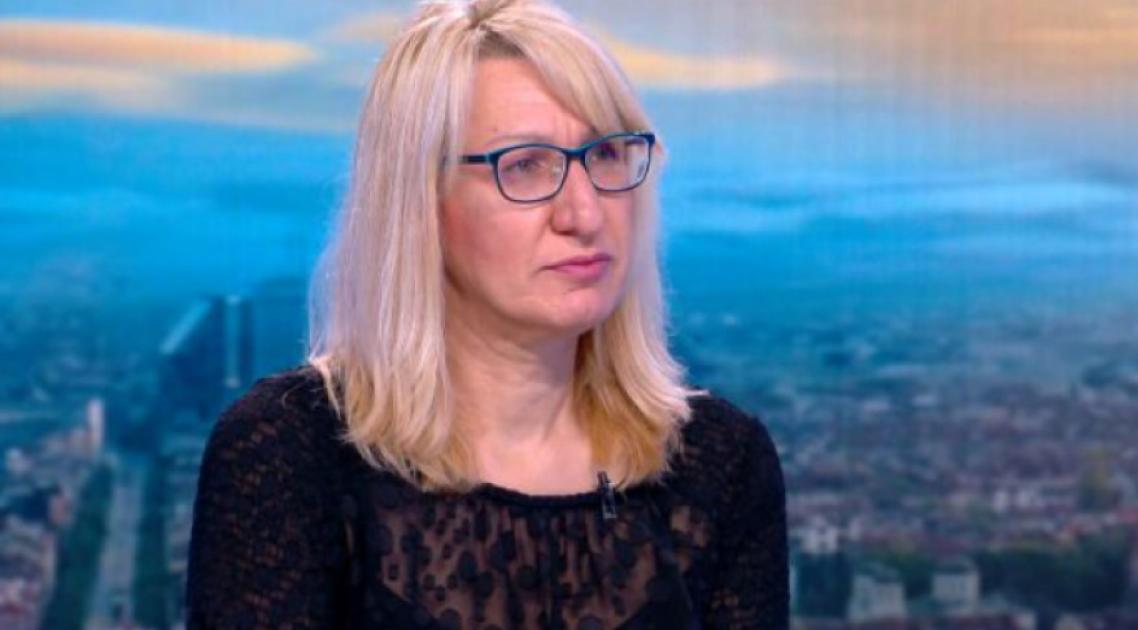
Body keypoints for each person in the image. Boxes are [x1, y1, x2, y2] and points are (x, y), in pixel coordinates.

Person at [184, 0, 788, 627]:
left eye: (606, 154)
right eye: (524, 166)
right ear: (420, 202)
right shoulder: (289, 453)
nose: (583, 214)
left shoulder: (722, 462)